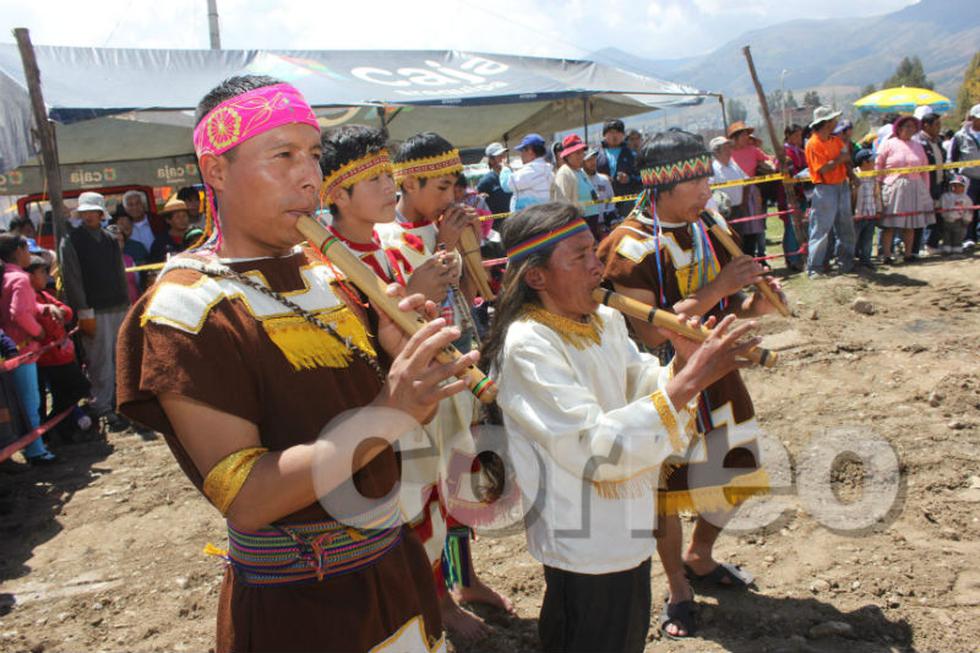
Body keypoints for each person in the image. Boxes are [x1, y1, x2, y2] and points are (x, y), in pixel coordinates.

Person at [116, 75, 477, 653]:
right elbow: (249, 496)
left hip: (394, 569)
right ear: (216, 172)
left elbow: (379, 424)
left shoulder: (328, 273)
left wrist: (394, 358)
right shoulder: (185, 306)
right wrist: (392, 406)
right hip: (303, 603)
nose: (309, 176)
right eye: (281, 156)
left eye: (312, 154)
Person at [486, 200, 762, 652]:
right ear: (536, 277)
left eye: (595, 252)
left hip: (627, 525)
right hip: (582, 538)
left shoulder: (605, 319)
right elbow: (594, 448)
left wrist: (682, 363)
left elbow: (641, 386)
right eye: (580, 258)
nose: (598, 267)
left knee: (625, 636)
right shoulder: (528, 345)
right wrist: (691, 381)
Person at [597, 129, 776, 640]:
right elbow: (651, 330)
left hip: (717, 370)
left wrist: (754, 302)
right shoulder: (628, 245)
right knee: (666, 490)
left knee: (735, 464)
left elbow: (728, 306)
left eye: (705, 177)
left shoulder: (708, 225)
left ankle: (701, 555)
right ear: (665, 183)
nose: (707, 188)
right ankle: (677, 586)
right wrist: (721, 287)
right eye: (696, 179)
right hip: (662, 380)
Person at [58, 192, 131, 431]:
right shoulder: (71, 240)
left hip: (118, 305)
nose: (89, 215)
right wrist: (82, 310)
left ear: (101, 214)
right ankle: (103, 407)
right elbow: (72, 278)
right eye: (85, 212)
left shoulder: (110, 239)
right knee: (99, 360)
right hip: (93, 309)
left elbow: (120, 273)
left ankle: (121, 403)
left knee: (119, 356)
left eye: (93, 211)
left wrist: (127, 302)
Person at [0, 234, 58, 465]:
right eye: (26, 250)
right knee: (29, 403)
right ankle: (35, 450)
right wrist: (39, 332)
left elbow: (23, 306)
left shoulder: (5, 276)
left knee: (18, 405)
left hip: (8, 351)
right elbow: (19, 313)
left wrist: (42, 308)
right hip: (23, 350)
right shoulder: (20, 279)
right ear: (19, 250)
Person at [25, 256, 94, 443]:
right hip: (49, 357)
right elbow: (42, 323)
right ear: (29, 276)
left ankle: (61, 429)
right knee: (76, 388)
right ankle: (51, 427)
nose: (46, 276)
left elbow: (66, 310)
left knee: (68, 392)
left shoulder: (44, 294)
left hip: (61, 355)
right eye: (42, 272)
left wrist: (60, 312)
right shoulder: (29, 298)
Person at [804, 106, 857, 278]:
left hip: (841, 185)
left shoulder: (835, 140)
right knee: (821, 229)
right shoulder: (813, 144)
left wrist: (851, 175)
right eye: (833, 120)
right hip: (825, 188)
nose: (835, 123)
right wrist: (840, 160)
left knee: (846, 226)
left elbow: (845, 161)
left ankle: (846, 263)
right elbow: (823, 169)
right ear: (825, 123)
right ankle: (814, 267)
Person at [876, 115, 933, 264]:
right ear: (899, 128)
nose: (910, 129)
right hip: (893, 186)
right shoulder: (888, 144)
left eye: (912, 127)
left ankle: (908, 254)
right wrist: (878, 186)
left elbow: (925, 169)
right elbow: (878, 165)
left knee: (911, 223)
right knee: (890, 223)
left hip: (914, 186)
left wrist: (925, 191)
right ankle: (886, 254)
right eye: (907, 126)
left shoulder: (918, 146)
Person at [708, 136, 762, 255]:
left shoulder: (734, 165)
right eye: (726, 148)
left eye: (729, 147)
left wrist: (744, 202)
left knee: (740, 240)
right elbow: (709, 191)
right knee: (727, 243)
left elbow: (746, 182)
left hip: (738, 209)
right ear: (716, 152)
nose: (730, 150)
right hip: (722, 213)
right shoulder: (713, 169)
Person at [551, 134, 601, 237]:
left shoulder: (580, 172)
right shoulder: (564, 174)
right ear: (568, 156)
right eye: (577, 153)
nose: (582, 155)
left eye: (582, 152)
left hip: (590, 222)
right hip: (577, 225)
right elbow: (562, 205)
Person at [913, 107, 947, 255]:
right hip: (925, 183)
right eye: (936, 125)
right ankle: (917, 247)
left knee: (938, 213)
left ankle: (932, 244)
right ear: (926, 125)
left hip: (939, 182)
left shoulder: (938, 141)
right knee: (921, 215)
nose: (939, 128)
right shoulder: (918, 142)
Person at [596, 120, 643, 216]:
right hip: (603, 202)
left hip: (627, 202)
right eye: (611, 132)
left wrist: (629, 178)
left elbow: (641, 177)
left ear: (623, 135)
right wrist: (601, 178)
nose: (615, 136)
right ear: (604, 135)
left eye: (618, 132)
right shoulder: (596, 155)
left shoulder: (632, 155)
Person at [949, 103, 980, 248]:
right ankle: (969, 238)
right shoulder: (960, 136)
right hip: (969, 179)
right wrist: (955, 178)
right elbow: (952, 159)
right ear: (972, 119)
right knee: (969, 209)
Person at [500, 133, 554, 212]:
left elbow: (506, 185)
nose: (521, 155)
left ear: (530, 151)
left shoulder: (532, 170)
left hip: (528, 219)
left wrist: (505, 169)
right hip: (541, 216)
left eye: (522, 151)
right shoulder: (546, 169)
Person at [852, 149, 882, 269]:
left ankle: (866, 260)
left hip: (870, 213)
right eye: (872, 160)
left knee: (868, 239)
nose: (874, 163)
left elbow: (877, 195)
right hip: (858, 214)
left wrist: (879, 209)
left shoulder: (874, 177)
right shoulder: (854, 176)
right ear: (864, 162)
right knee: (853, 238)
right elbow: (851, 196)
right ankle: (850, 260)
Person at [583, 148, 618, 231]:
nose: (593, 162)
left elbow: (612, 199)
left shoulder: (604, 179)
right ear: (583, 162)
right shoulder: (580, 180)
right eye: (589, 160)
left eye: (594, 159)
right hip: (586, 224)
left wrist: (607, 213)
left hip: (604, 223)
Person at [476, 142, 512, 222]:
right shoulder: (486, 181)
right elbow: (476, 202)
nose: (503, 158)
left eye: (504, 155)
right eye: (499, 156)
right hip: (497, 226)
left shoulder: (511, 175)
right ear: (491, 160)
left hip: (513, 221)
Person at [149, 196, 193, 262]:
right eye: (177, 217)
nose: (182, 220)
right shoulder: (160, 242)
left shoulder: (196, 235)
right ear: (168, 220)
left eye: (184, 216)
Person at [940, 175, 972, 253]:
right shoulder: (946, 196)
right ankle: (947, 247)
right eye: (954, 185)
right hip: (947, 221)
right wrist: (944, 215)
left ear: (964, 187)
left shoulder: (966, 198)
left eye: (959, 186)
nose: (955, 188)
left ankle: (957, 247)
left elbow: (969, 210)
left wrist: (967, 219)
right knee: (946, 235)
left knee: (958, 235)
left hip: (959, 221)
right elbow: (942, 206)